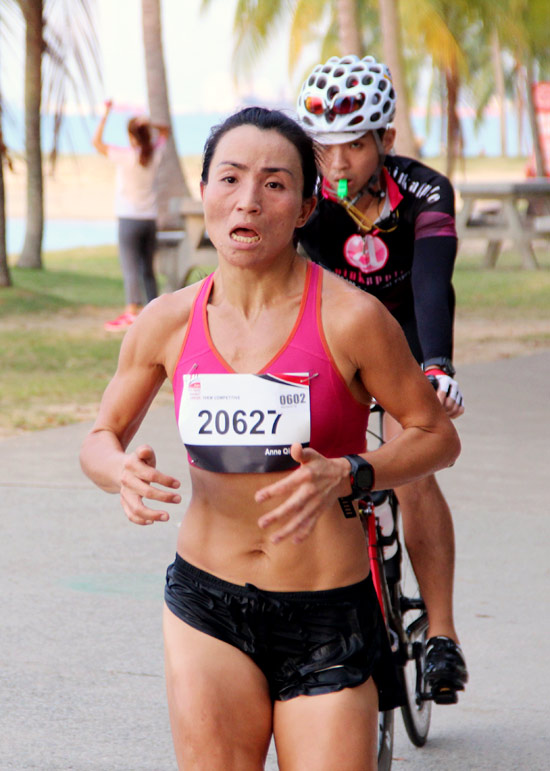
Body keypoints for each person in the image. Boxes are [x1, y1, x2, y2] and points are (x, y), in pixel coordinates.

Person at [80, 106, 460, 770]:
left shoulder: (353, 319)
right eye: (228, 178)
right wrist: (120, 471)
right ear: (203, 194)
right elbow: (100, 435)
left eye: (275, 183)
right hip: (208, 604)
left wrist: (352, 471)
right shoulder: (167, 321)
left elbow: (436, 437)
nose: (248, 200)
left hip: (327, 614)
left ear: (308, 205)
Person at [296, 54, 468, 702]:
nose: (337, 164)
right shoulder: (308, 199)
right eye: (324, 146)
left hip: (406, 345)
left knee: (412, 463)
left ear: (385, 140)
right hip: (338, 346)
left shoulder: (424, 190)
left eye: (355, 145)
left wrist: (438, 368)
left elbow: (432, 280)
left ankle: (443, 636)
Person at [92, 100, 170, 331]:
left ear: (130, 135)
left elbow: (96, 142)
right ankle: (153, 310)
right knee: (147, 267)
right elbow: (166, 131)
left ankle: (131, 312)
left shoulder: (125, 156)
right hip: (149, 220)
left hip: (129, 219)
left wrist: (105, 114)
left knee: (130, 267)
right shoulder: (154, 154)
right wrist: (150, 122)